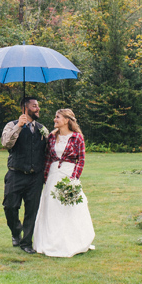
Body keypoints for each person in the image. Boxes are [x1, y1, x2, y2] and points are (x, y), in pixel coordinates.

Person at [34, 108, 95, 257]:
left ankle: (74, 241)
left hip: (69, 174)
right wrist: (46, 178)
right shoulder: (52, 137)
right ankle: (50, 241)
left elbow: (81, 160)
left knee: (69, 207)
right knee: (52, 207)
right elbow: (48, 158)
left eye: (58, 117)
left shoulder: (77, 137)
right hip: (53, 175)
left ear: (67, 120)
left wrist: (74, 179)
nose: (55, 120)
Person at [0, 96, 48, 254]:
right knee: (10, 207)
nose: (37, 108)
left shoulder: (42, 128)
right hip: (16, 173)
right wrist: (19, 127)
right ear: (24, 108)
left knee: (32, 210)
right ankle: (16, 231)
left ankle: (26, 242)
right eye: (34, 106)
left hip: (36, 176)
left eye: (37, 106)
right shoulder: (11, 125)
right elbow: (6, 143)